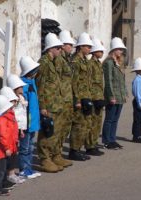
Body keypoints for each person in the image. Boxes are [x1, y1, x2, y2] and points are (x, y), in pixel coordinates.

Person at [36, 33, 66, 172]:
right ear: (50, 49)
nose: (60, 50)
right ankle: (45, 159)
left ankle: (54, 156)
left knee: (56, 132)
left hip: (57, 103)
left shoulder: (54, 62)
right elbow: (40, 86)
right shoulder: (44, 63)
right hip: (48, 105)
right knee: (46, 133)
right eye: (58, 48)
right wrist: (42, 106)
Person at [50, 30, 74, 167]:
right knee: (57, 130)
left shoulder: (67, 59)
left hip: (67, 98)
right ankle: (54, 155)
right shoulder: (59, 60)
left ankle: (58, 154)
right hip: (60, 99)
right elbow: (57, 80)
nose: (71, 47)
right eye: (69, 45)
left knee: (64, 129)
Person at [68, 32, 93, 161]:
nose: (89, 49)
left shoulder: (85, 60)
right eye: (87, 46)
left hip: (86, 96)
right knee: (78, 125)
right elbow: (73, 82)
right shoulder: (75, 61)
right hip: (79, 98)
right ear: (81, 46)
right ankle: (73, 150)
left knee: (84, 124)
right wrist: (76, 99)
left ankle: (78, 148)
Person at [0, 95, 18, 196]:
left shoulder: (2, 118)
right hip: (0, 150)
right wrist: (7, 148)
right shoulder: (1, 120)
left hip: (0, 149)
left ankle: (2, 185)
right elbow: (3, 136)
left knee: (2, 169)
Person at [19, 56, 44, 177]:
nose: (36, 72)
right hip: (26, 122)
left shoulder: (31, 82)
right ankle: (24, 169)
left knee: (30, 147)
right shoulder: (24, 85)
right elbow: (22, 107)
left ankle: (28, 168)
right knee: (25, 148)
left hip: (33, 121)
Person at [102, 37, 127, 149]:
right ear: (113, 50)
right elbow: (108, 81)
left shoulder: (119, 62)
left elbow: (122, 80)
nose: (121, 52)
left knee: (115, 119)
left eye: (122, 50)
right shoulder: (108, 63)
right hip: (113, 96)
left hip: (120, 95)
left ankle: (112, 139)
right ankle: (107, 141)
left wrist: (125, 93)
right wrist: (111, 96)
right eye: (119, 49)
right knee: (109, 119)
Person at [85, 38, 106, 156]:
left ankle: (93, 143)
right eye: (100, 51)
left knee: (98, 123)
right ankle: (89, 145)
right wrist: (94, 97)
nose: (102, 53)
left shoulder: (98, 63)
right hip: (94, 97)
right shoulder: (91, 64)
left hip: (99, 97)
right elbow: (89, 82)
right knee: (91, 123)